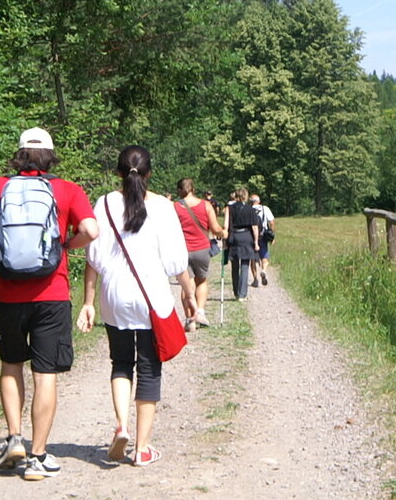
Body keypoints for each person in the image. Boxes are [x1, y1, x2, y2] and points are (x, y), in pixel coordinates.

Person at [0, 127, 98, 481]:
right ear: (51, 156)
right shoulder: (66, 189)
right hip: (51, 292)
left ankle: (14, 439)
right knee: (45, 373)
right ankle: (38, 456)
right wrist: (67, 246)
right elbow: (92, 230)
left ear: (19, 154)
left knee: (11, 365)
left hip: (7, 292)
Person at [78, 146, 187, 467]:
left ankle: (122, 426)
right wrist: (190, 296)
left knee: (121, 362)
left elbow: (93, 257)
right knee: (150, 368)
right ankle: (142, 448)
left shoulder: (105, 203)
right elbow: (175, 261)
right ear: (150, 173)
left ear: (118, 173)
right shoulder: (165, 207)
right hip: (151, 295)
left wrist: (87, 302)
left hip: (114, 294)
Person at [173, 178, 222, 329]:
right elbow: (215, 229)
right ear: (193, 189)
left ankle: (190, 320)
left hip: (182, 250)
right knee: (201, 281)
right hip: (202, 248)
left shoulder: (174, 207)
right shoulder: (206, 205)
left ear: (179, 190)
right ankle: (200, 312)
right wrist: (223, 232)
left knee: (186, 285)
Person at [224, 186, 263, 301]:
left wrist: (225, 240)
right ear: (246, 196)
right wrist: (256, 243)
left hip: (234, 237)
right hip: (246, 237)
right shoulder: (251, 210)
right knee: (245, 266)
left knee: (234, 266)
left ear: (236, 195)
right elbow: (255, 228)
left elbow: (226, 226)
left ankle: (236, 292)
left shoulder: (229, 208)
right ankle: (242, 295)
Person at [250, 191, 277, 286]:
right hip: (263, 236)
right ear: (259, 201)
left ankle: (255, 280)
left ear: (251, 201)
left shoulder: (248, 209)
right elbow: (272, 222)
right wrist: (272, 235)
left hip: (251, 237)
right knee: (264, 257)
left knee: (252, 259)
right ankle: (264, 270)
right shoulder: (265, 208)